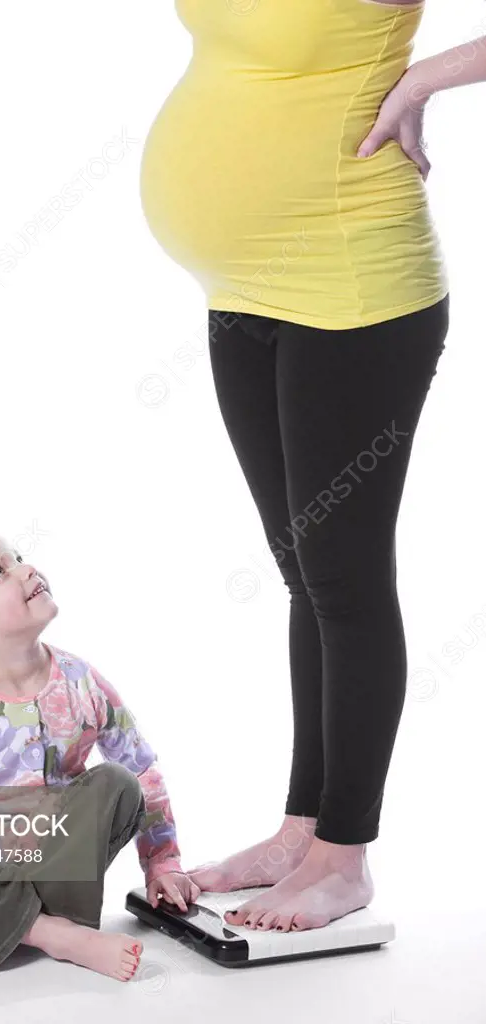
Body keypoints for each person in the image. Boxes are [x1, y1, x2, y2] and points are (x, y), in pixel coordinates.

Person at [141, 0, 485, 932]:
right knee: (304, 574)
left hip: (352, 285)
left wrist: (422, 77)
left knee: (344, 580)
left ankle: (345, 858)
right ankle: (304, 828)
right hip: (240, 288)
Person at [0, 530, 200, 977]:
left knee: (118, 783)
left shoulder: (79, 681)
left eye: (18, 558)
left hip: (61, 862)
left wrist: (163, 863)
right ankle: (52, 932)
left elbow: (140, 766)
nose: (26, 570)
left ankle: (32, 922)